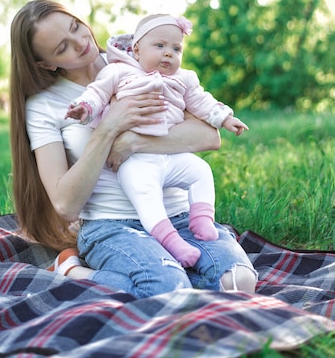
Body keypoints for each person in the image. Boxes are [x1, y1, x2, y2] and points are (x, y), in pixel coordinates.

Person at [10, 0, 257, 298]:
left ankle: (175, 270)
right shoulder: (45, 106)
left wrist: (134, 142)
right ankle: (75, 271)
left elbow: (207, 136)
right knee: (168, 290)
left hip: (178, 213)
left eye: (76, 27)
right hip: (112, 224)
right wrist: (108, 129)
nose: (81, 42)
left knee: (238, 282)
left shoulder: (139, 57)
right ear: (46, 63)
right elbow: (66, 205)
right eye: (62, 48)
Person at [65, 14, 248, 268]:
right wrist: (84, 108)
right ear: (137, 49)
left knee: (201, 171)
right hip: (135, 161)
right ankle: (172, 241)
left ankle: (202, 218)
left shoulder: (184, 78)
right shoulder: (118, 71)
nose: (168, 54)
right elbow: (97, 92)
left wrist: (226, 118)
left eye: (176, 49)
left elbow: (202, 101)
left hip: (170, 154)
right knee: (146, 195)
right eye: (159, 46)